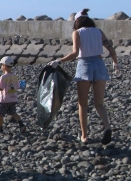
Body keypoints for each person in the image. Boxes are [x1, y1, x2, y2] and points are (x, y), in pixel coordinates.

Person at [48, 8, 119, 144]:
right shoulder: (98, 32)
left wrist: (59, 61)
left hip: (85, 65)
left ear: (77, 21)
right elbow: (110, 48)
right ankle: (108, 127)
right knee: (99, 104)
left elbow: (75, 53)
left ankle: (84, 136)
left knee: (83, 104)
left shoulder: (77, 33)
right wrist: (115, 63)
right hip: (99, 64)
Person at [0, 56, 26, 133]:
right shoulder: (14, 76)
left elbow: (1, 88)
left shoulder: (3, 77)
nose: (1, 67)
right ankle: (21, 125)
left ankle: (0, 128)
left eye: (1, 65)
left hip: (4, 100)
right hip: (13, 98)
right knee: (13, 113)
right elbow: (18, 86)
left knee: (0, 114)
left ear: (4, 66)